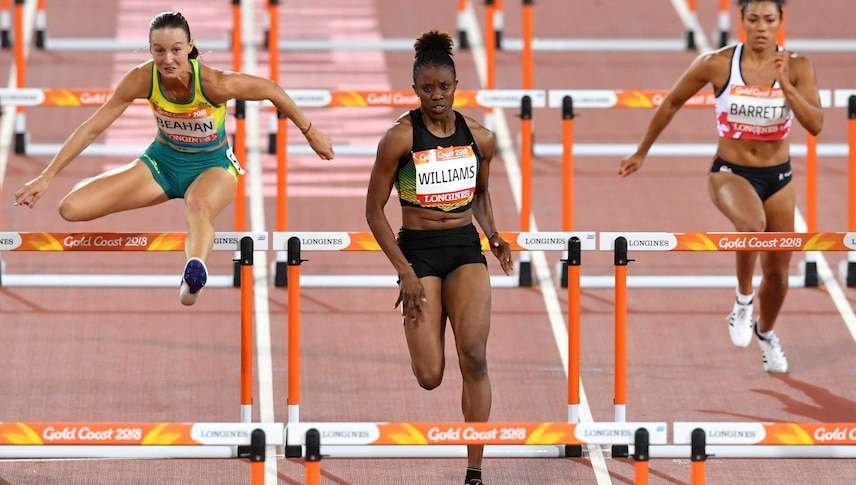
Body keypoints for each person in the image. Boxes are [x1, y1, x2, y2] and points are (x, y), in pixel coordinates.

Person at [13, 11, 334, 306]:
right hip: (160, 166)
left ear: (190, 47)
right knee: (71, 208)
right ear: (150, 50)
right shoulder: (142, 79)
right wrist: (47, 176)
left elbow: (272, 89)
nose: (167, 59)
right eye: (159, 50)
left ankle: (194, 273)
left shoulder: (214, 83)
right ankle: (95, 186)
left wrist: (310, 131)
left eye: (176, 50)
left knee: (198, 207)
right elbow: (91, 128)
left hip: (212, 168)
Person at [619, 0, 822, 373]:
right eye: (753, 19)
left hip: (779, 178)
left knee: (778, 274)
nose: (761, 27)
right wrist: (641, 152)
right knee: (751, 227)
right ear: (742, 21)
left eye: (769, 19)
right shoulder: (717, 63)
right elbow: (672, 103)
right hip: (730, 172)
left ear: (780, 21)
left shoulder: (798, 66)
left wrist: (788, 88)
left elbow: (816, 124)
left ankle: (766, 332)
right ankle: (743, 301)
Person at [365, 30, 512, 485]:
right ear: (415, 90)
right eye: (426, 89)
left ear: (455, 86)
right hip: (419, 255)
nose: (436, 97)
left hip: (466, 250)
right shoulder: (400, 138)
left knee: (475, 357)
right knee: (430, 375)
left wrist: (493, 233)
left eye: (443, 88)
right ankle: (422, 315)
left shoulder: (481, 138)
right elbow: (373, 211)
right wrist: (404, 272)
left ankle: (474, 471)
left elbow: (482, 192)